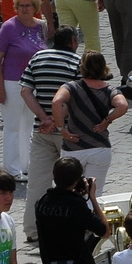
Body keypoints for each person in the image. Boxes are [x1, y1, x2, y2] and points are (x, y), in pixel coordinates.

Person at [18, 24, 81, 239]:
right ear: (73, 42)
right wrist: (56, 121)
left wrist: (44, 118)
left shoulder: (37, 58)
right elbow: (74, 99)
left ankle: (32, 230)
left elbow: (26, 91)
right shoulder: (76, 62)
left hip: (41, 131)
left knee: (37, 182)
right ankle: (69, 228)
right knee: (72, 184)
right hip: (67, 132)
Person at [51, 51, 129, 193]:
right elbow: (123, 106)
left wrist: (62, 129)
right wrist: (107, 120)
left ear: (82, 67)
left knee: (68, 192)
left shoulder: (71, 87)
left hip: (74, 147)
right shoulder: (109, 90)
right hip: (99, 147)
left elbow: (56, 102)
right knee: (95, 193)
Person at [0, 0, 47, 182]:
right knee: (13, 127)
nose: (24, 9)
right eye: (21, 5)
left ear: (35, 8)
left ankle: (25, 165)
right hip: (12, 83)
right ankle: (12, 168)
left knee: (28, 126)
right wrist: (0, 88)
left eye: (28, 5)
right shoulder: (8, 27)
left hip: (34, 85)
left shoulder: (41, 27)